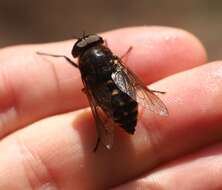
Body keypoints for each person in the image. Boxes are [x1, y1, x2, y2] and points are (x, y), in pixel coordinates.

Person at [0, 26, 221, 190]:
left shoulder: (84, 66)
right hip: (124, 101)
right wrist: (146, 93)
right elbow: (127, 76)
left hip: (111, 103)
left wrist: (99, 106)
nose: (88, 41)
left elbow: (90, 92)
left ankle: (112, 124)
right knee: (124, 77)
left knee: (93, 92)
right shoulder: (110, 56)